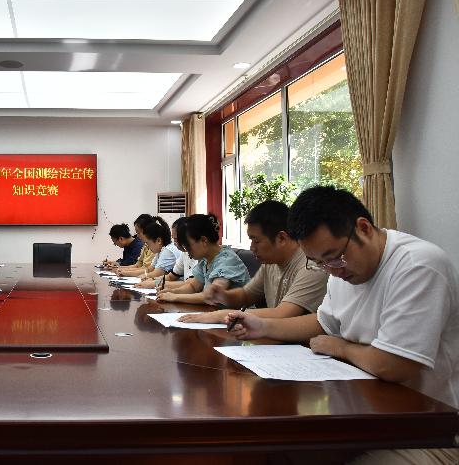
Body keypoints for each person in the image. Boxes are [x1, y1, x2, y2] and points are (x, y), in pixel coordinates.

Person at [226, 186, 459, 465]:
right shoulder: (342, 270)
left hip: (432, 431)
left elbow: (394, 365)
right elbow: (322, 323)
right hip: (365, 418)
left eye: (334, 256)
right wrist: (262, 327)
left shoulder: (417, 265)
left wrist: (341, 347)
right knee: (274, 449)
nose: (333, 270)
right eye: (320, 263)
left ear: (363, 228)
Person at [179, 201, 327, 324]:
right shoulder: (270, 263)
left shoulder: (311, 266)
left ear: (281, 238)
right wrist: (223, 295)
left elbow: (283, 314)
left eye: (256, 241)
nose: (252, 248)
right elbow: (246, 295)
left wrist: (220, 315)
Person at [156, 213, 250, 303]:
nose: (186, 250)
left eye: (188, 245)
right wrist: (172, 292)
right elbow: (193, 287)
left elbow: (212, 295)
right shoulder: (205, 260)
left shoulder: (227, 261)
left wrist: (175, 297)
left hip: (239, 313)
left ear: (203, 240)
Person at [136, 217, 196, 289]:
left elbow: (191, 284)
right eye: (173, 239)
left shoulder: (169, 250)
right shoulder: (184, 253)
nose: (175, 243)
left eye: (176, 239)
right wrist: (153, 279)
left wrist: (154, 283)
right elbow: (170, 276)